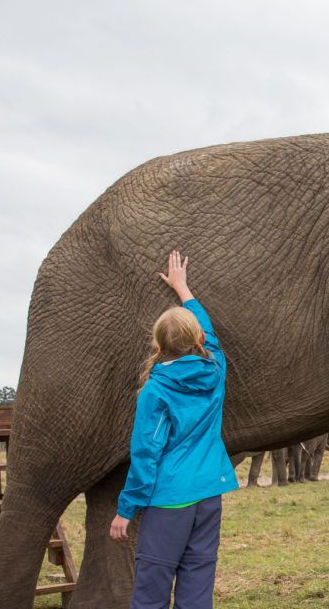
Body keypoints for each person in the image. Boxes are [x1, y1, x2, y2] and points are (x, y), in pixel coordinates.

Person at [110, 250, 239, 608]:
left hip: (170, 499)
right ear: (198, 341)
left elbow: (147, 453)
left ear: (157, 346)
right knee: (198, 585)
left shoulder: (155, 390)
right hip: (209, 494)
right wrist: (183, 289)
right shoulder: (216, 370)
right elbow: (208, 331)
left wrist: (126, 508)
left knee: (152, 587)